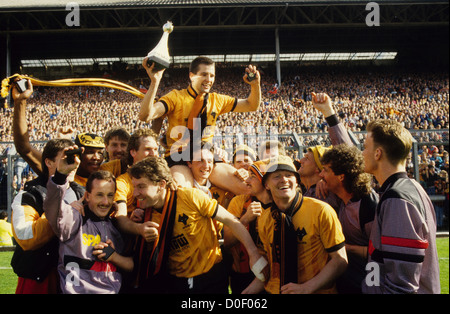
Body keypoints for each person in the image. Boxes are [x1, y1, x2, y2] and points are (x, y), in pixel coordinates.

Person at [128, 156, 268, 293]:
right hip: (177, 281)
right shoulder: (144, 215)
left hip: (211, 276)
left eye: (141, 187)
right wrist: (139, 230)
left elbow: (231, 221)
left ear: (161, 185)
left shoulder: (190, 197)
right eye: (134, 187)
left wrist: (253, 253)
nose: (135, 193)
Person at [138, 56, 261, 195]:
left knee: (248, 187)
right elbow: (145, 116)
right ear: (192, 76)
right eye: (204, 74)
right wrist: (155, 82)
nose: (209, 79)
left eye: (212, 75)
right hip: (179, 158)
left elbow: (252, 105)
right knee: (184, 195)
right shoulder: (175, 97)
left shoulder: (217, 100)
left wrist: (255, 85)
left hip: (206, 158)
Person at [361, 119, 440, 294]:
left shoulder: (397, 199)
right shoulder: (410, 188)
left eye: (365, 147)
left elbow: (401, 286)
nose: (362, 153)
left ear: (378, 154)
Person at [44, 153, 133, 294]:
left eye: (110, 195)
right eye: (99, 195)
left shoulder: (117, 225)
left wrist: (114, 256)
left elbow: (132, 265)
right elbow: (52, 209)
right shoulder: (74, 218)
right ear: (87, 196)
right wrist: (60, 175)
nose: (105, 202)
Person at [258, 155, 347, 294]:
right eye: (277, 176)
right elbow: (270, 262)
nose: (284, 179)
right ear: (266, 185)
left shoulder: (321, 211)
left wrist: (307, 288)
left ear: (297, 181)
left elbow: (340, 260)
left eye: (289, 175)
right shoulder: (264, 218)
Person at [10, 138, 85, 294]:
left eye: (74, 158)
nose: (72, 164)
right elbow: (26, 237)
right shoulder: (30, 195)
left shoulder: (82, 193)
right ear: (49, 162)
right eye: (66, 158)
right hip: (40, 279)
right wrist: (62, 211)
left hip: (73, 278)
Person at [319, 144, 378, 294]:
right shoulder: (339, 199)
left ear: (341, 176)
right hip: (347, 281)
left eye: (325, 170)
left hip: (366, 284)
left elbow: (378, 251)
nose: (321, 175)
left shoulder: (368, 205)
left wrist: (344, 248)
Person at [224, 159, 272, 294]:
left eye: (253, 177)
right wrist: (245, 219)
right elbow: (227, 241)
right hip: (242, 272)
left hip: (274, 272)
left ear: (265, 181)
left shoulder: (279, 205)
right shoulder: (238, 202)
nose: (247, 181)